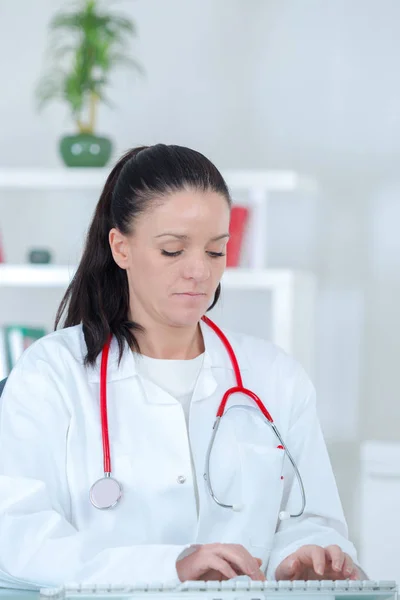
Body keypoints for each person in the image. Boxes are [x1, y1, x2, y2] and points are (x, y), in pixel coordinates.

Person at [0, 145, 361, 590]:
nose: (198, 272)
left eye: (215, 252)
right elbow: (18, 539)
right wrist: (168, 567)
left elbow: (314, 521)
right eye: (173, 250)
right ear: (121, 248)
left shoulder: (275, 377)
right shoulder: (51, 373)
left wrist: (303, 557)